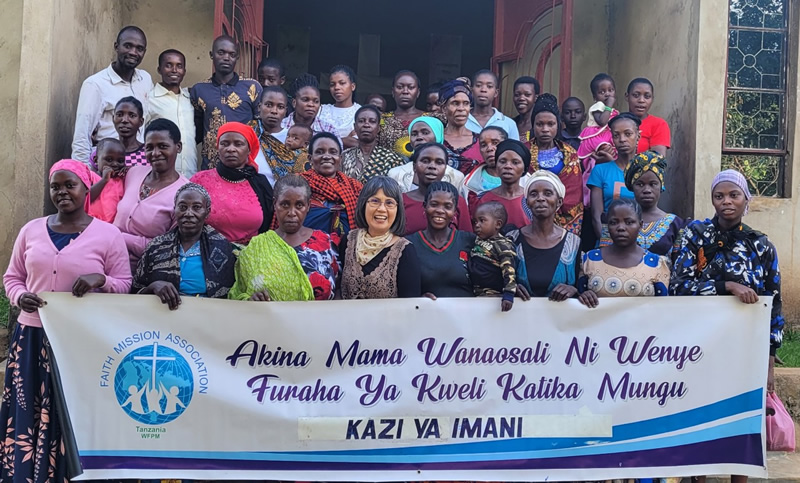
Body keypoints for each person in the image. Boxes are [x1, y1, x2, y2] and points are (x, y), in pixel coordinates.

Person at [2, 160, 132, 482]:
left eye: (69, 185)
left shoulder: (108, 235)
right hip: (32, 336)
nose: (62, 192)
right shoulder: (31, 230)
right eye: (55, 187)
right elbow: (13, 277)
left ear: (86, 188)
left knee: (70, 412)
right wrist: (20, 296)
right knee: (28, 409)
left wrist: (100, 280)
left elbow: (125, 283)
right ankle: (27, 474)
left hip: (80, 342)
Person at [670, 170, 784, 483]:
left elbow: (774, 307)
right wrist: (726, 286)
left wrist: (769, 363)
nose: (726, 202)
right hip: (699, 347)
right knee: (699, 418)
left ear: (747, 199)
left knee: (742, 422)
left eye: (734, 195)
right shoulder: (695, 236)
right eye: (719, 196)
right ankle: (699, 477)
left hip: (744, 350)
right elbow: (678, 286)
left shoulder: (761, 245)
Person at [230, 175, 340, 301]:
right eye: (285, 205)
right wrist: (251, 300)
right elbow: (238, 293)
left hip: (321, 314)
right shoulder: (256, 248)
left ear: (308, 206)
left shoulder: (326, 244)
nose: (292, 213)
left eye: (299, 205)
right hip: (269, 315)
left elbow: (340, 290)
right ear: (275, 204)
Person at [132, 183, 236, 308]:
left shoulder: (221, 248)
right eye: (182, 207)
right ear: (175, 210)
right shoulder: (156, 247)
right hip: (162, 314)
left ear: (207, 212)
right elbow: (135, 292)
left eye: (196, 207)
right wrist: (152, 287)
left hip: (207, 315)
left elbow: (230, 297)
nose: (188, 213)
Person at [114, 119, 190, 272]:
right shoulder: (133, 172)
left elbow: (169, 247)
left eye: (163, 146)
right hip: (108, 259)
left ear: (178, 147)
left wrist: (117, 236)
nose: (155, 153)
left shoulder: (185, 193)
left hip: (145, 271)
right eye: (149, 147)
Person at [72, 26, 152, 163]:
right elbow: (82, 136)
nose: (133, 52)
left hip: (139, 161)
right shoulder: (95, 84)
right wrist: (84, 172)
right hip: (108, 163)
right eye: (128, 46)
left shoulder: (145, 79)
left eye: (139, 48)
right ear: (116, 46)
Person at [190, 122, 274, 245]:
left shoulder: (260, 184)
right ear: (217, 147)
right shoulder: (199, 180)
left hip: (253, 252)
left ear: (249, 149)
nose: (230, 149)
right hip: (207, 250)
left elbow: (271, 225)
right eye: (224, 144)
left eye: (238, 144)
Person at [578, 198, 670, 307]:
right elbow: (577, 301)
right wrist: (583, 296)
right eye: (614, 222)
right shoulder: (589, 260)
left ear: (640, 225)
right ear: (607, 225)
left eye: (629, 222)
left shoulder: (656, 264)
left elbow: (663, 308)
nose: (621, 228)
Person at [339, 176, 421, 299]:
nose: (381, 209)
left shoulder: (405, 251)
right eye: (375, 201)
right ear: (363, 204)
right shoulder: (348, 241)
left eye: (389, 203)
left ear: (398, 209)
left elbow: (410, 304)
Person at [191, 35, 262, 169]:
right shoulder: (199, 89)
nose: (226, 58)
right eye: (221, 53)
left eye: (232, 54)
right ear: (211, 55)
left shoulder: (252, 87)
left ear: (237, 57)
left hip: (244, 166)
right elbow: (196, 131)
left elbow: (261, 128)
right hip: (211, 166)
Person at [507, 171, 581, 300]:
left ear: (559, 202)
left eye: (548, 193)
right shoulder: (512, 239)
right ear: (527, 202)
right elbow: (497, 281)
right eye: (533, 194)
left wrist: (574, 290)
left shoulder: (573, 243)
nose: (540, 198)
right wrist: (510, 288)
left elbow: (584, 287)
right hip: (519, 312)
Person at [406, 181, 476, 298]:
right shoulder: (409, 244)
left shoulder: (469, 241)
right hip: (424, 309)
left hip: (468, 309)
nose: (440, 210)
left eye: (447, 206)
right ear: (425, 206)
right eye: (434, 204)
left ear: (454, 211)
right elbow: (404, 290)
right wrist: (418, 299)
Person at [528, 93, 584, 235]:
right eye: (540, 124)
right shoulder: (523, 152)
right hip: (528, 217)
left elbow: (574, 193)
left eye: (550, 124)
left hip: (563, 221)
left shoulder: (570, 154)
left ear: (558, 125)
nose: (545, 129)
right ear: (533, 125)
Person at [616, 150, 685, 257]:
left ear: (661, 186)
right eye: (640, 184)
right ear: (632, 187)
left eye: (653, 184)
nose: (647, 190)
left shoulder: (676, 224)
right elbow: (606, 257)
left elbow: (679, 262)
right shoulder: (617, 220)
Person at [587, 113, 641, 244]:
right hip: (607, 240)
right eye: (616, 135)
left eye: (628, 134)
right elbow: (596, 215)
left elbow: (650, 211)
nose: (622, 139)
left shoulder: (646, 170)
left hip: (640, 241)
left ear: (638, 136)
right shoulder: (600, 171)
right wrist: (606, 243)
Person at [146, 49, 198, 178]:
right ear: (159, 69)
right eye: (168, 65)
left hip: (190, 174)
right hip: (162, 176)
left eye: (179, 66)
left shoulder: (190, 98)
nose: (174, 70)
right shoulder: (149, 99)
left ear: (184, 71)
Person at [301, 132, 363, 236]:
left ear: (340, 158)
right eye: (319, 152)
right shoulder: (299, 184)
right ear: (310, 159)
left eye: (333, 152)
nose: (326, 156)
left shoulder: (355, 187)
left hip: (348, 244)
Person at [402, 143, 472, 235]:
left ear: (445, 168)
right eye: (425, 161)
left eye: (439, 162)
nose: (432, 166)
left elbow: (466, 238)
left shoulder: (458, 201)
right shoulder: (401, 201)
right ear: (414, 167)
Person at [387, 116, 465, 192]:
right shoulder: (396, 174)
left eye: (425, 133)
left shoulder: (456, 177)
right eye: (414, 134)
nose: (419, 137)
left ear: (438, 135)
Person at [578, 73, 619, 206]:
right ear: (595, 97)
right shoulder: (597, 107)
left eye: (610, 90)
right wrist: (609, 106)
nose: (607, 94)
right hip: (596, 136)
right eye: (602, 92)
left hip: (606, 135)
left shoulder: (614, 111)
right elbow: (602, 122)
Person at [473, 139, 531, 230]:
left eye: (515, 162)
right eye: (503, 161)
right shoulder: (483, 199)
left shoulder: (531, 200)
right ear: (496, 166)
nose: (508, 166)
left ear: (524, 168)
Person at [469, 201, 517, 311]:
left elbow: (509, 270)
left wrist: (509, 294)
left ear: (498, 224)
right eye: (475, 221)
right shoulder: (477, 240)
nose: (477, 225)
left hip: (493, 297)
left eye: (482, 220)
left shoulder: (503, 245)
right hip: (475, 295)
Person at [341, 105, 405, 182]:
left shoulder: (392, 159)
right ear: (355, 127)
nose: (366, 125)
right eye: (361, 121)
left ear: (378, 128)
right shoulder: (343, 157)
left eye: (372, 121)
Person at [254, 87, 305, 181]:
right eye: (268, 105)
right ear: (259, 107)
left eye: (280, 107)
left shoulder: (293, 139)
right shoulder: (248, 135)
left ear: (285, 111)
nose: (274, 111)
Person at [378, 70, 433, 155]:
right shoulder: (382, 119)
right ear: (393, 91)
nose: (405, 91)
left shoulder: (430, 119)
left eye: (411, 87)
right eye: (400, 87)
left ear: (418, 92)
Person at [89, 97, 148, 169]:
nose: (124, 120)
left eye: (132, 116)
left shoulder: (148, 153)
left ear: (141, 122)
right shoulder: (102, 152)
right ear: (113, 119)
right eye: (119, 115)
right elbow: (92, 175)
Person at [440, 78, 482, 175]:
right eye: (455, 103)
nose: (461, 109)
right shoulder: (436, 139)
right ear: (444, 108)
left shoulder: (481, 142)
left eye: (466, 103)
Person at [461, 126, 508, 211]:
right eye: (483, 145)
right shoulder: (469, 183)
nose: (489, 148)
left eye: (495, 143)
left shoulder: (523, 179)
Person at [466, 69, 520, 140]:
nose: (483, 90)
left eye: (489, 86)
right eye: (478, 85)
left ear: (496, 93)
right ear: (472, 91)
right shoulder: (462, 119)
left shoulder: (508, 124)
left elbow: (514, 147)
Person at [281, 73, 339, 139]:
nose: (311, 104)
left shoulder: (329, 131)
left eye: (316, 101)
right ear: (294, 103)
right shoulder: (280, 127)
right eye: (305, 100)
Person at [318, 64, 361, 146]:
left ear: (353, 86)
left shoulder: (361, 112)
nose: (336, 87)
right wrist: (345, 140)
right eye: (332, 84)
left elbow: (358, 144)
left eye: (342, 83)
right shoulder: (321, 110)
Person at [626, 77, 670, 156]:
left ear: (652, 99)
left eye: (647, 96)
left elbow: (657, 159)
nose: (641, 100)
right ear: (627, 96)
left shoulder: (658, 124)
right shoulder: (616, 122)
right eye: (636, 95)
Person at [88, 138, 126, 222]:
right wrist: (104, 180)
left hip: (113, 225)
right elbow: (86, 199)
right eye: (109, 160)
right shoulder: (90, 176)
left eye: (120, 161)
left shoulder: (121, 180)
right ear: (96, 160)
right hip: (92, 223)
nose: (115, 164)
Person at [512, 76, 540, 143]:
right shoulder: (510, 124)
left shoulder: (541, 125)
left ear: (536, 97)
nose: (521, 98)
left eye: (527, 95)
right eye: (517, 95)